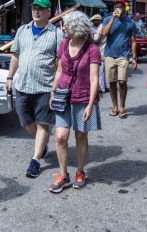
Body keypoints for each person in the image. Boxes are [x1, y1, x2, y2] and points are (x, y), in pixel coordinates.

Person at [6, 0, 64, 178]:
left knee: (43, 124)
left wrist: (57, 85)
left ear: (49, 12)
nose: (36, 11)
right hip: (22, 85)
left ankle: (35, 160)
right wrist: (9, 77)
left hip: (45, 87)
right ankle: (43, 144)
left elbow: (60, 63)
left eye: (41, 9)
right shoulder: (22, 31)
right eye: (34, 8)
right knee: (25, 122)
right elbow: (15, 56)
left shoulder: (56, 34)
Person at [49, 11, 101, 193]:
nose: (63, 29)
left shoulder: (92, 49)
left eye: (66, 26)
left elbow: (95, 79)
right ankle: (63, 175)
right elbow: (59, 71)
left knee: (80, 135)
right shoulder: (64, 44)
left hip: (83, 97)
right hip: (63, 96)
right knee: (60, 137)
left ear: (76, 28)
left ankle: (80, 171)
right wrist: (53, 91)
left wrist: (90, 105)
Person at [101, 0, 137, 119]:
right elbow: (104, 33)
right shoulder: (107, 19)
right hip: (109, 55)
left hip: (123, 55)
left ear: (124, 8)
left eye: (120, 7)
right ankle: (115, 106)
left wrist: (134, 58)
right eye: (116, 6)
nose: (118, 9)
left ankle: (122, 106)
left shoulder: (130, 22)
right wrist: (112, 18)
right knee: (112, 82)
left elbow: (133, 41)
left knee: (122, 81)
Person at [90, 14, 107, 93]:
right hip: (104, 49)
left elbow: (96, 39)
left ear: (98, 21)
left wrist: (91, 36)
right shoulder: (103, 26)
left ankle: (101, 87)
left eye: (94, 21)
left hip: (101, 49)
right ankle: (105, 86)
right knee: (103, 70)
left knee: (100, 70)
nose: (93, 22)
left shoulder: (100, 27)